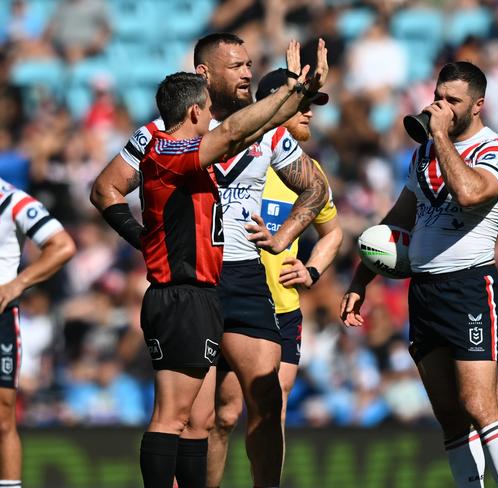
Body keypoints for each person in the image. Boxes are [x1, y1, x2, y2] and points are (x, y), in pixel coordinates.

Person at [90, 33, 329, 488]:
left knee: (265, 395)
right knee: (198, 417)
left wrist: (286, 235)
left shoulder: (270, 133)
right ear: (204, 74)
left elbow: (314, 188)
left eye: (249, 64)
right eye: (236, 65)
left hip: (242, 273)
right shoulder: (161, 137)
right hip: (193, 279)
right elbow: (105, 189)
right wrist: (144, 240)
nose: (247, 73)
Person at [341, 61, 498, 488]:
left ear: (478, 106)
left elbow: (469, 192)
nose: (440, 107)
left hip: (470, 287)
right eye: (438, 97)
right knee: (448, 413)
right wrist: (360, 280)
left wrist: (440, 135)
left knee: (478, 404)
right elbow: (399, 219)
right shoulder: (423, 153)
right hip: (423, 290)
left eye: (452, 101)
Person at [206, 68, 343, 486]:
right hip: (231, 298)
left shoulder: (308, 172)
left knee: (272, 406)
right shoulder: (237, 158)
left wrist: (313, 269)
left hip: (282, 309)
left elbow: (333, 232)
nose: (309, 115)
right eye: (302, 105)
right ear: (273, 106)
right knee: (223, 417)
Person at [0, 177, 76, 488]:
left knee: (3, 417)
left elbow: (62, 245)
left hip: (1, 318)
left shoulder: (14, 200)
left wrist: (16, 284)